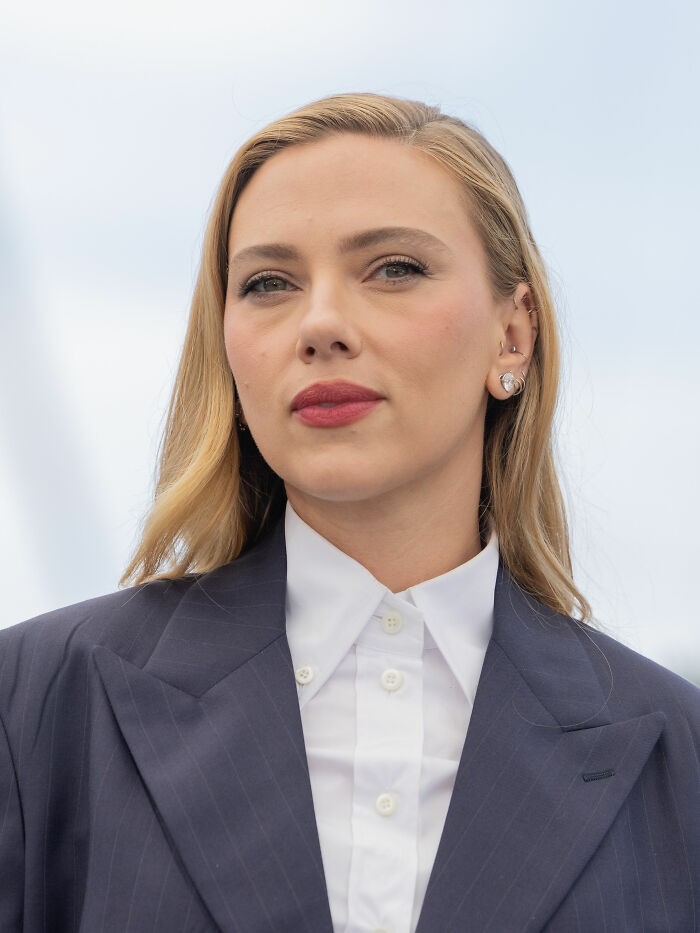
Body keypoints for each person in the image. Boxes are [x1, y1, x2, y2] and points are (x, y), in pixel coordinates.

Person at [0, 92, 698, 933]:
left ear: (513, 335)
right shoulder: (31, 705)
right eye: (267, 282)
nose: (321, 324)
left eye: (394, 267)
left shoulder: (677, 754)